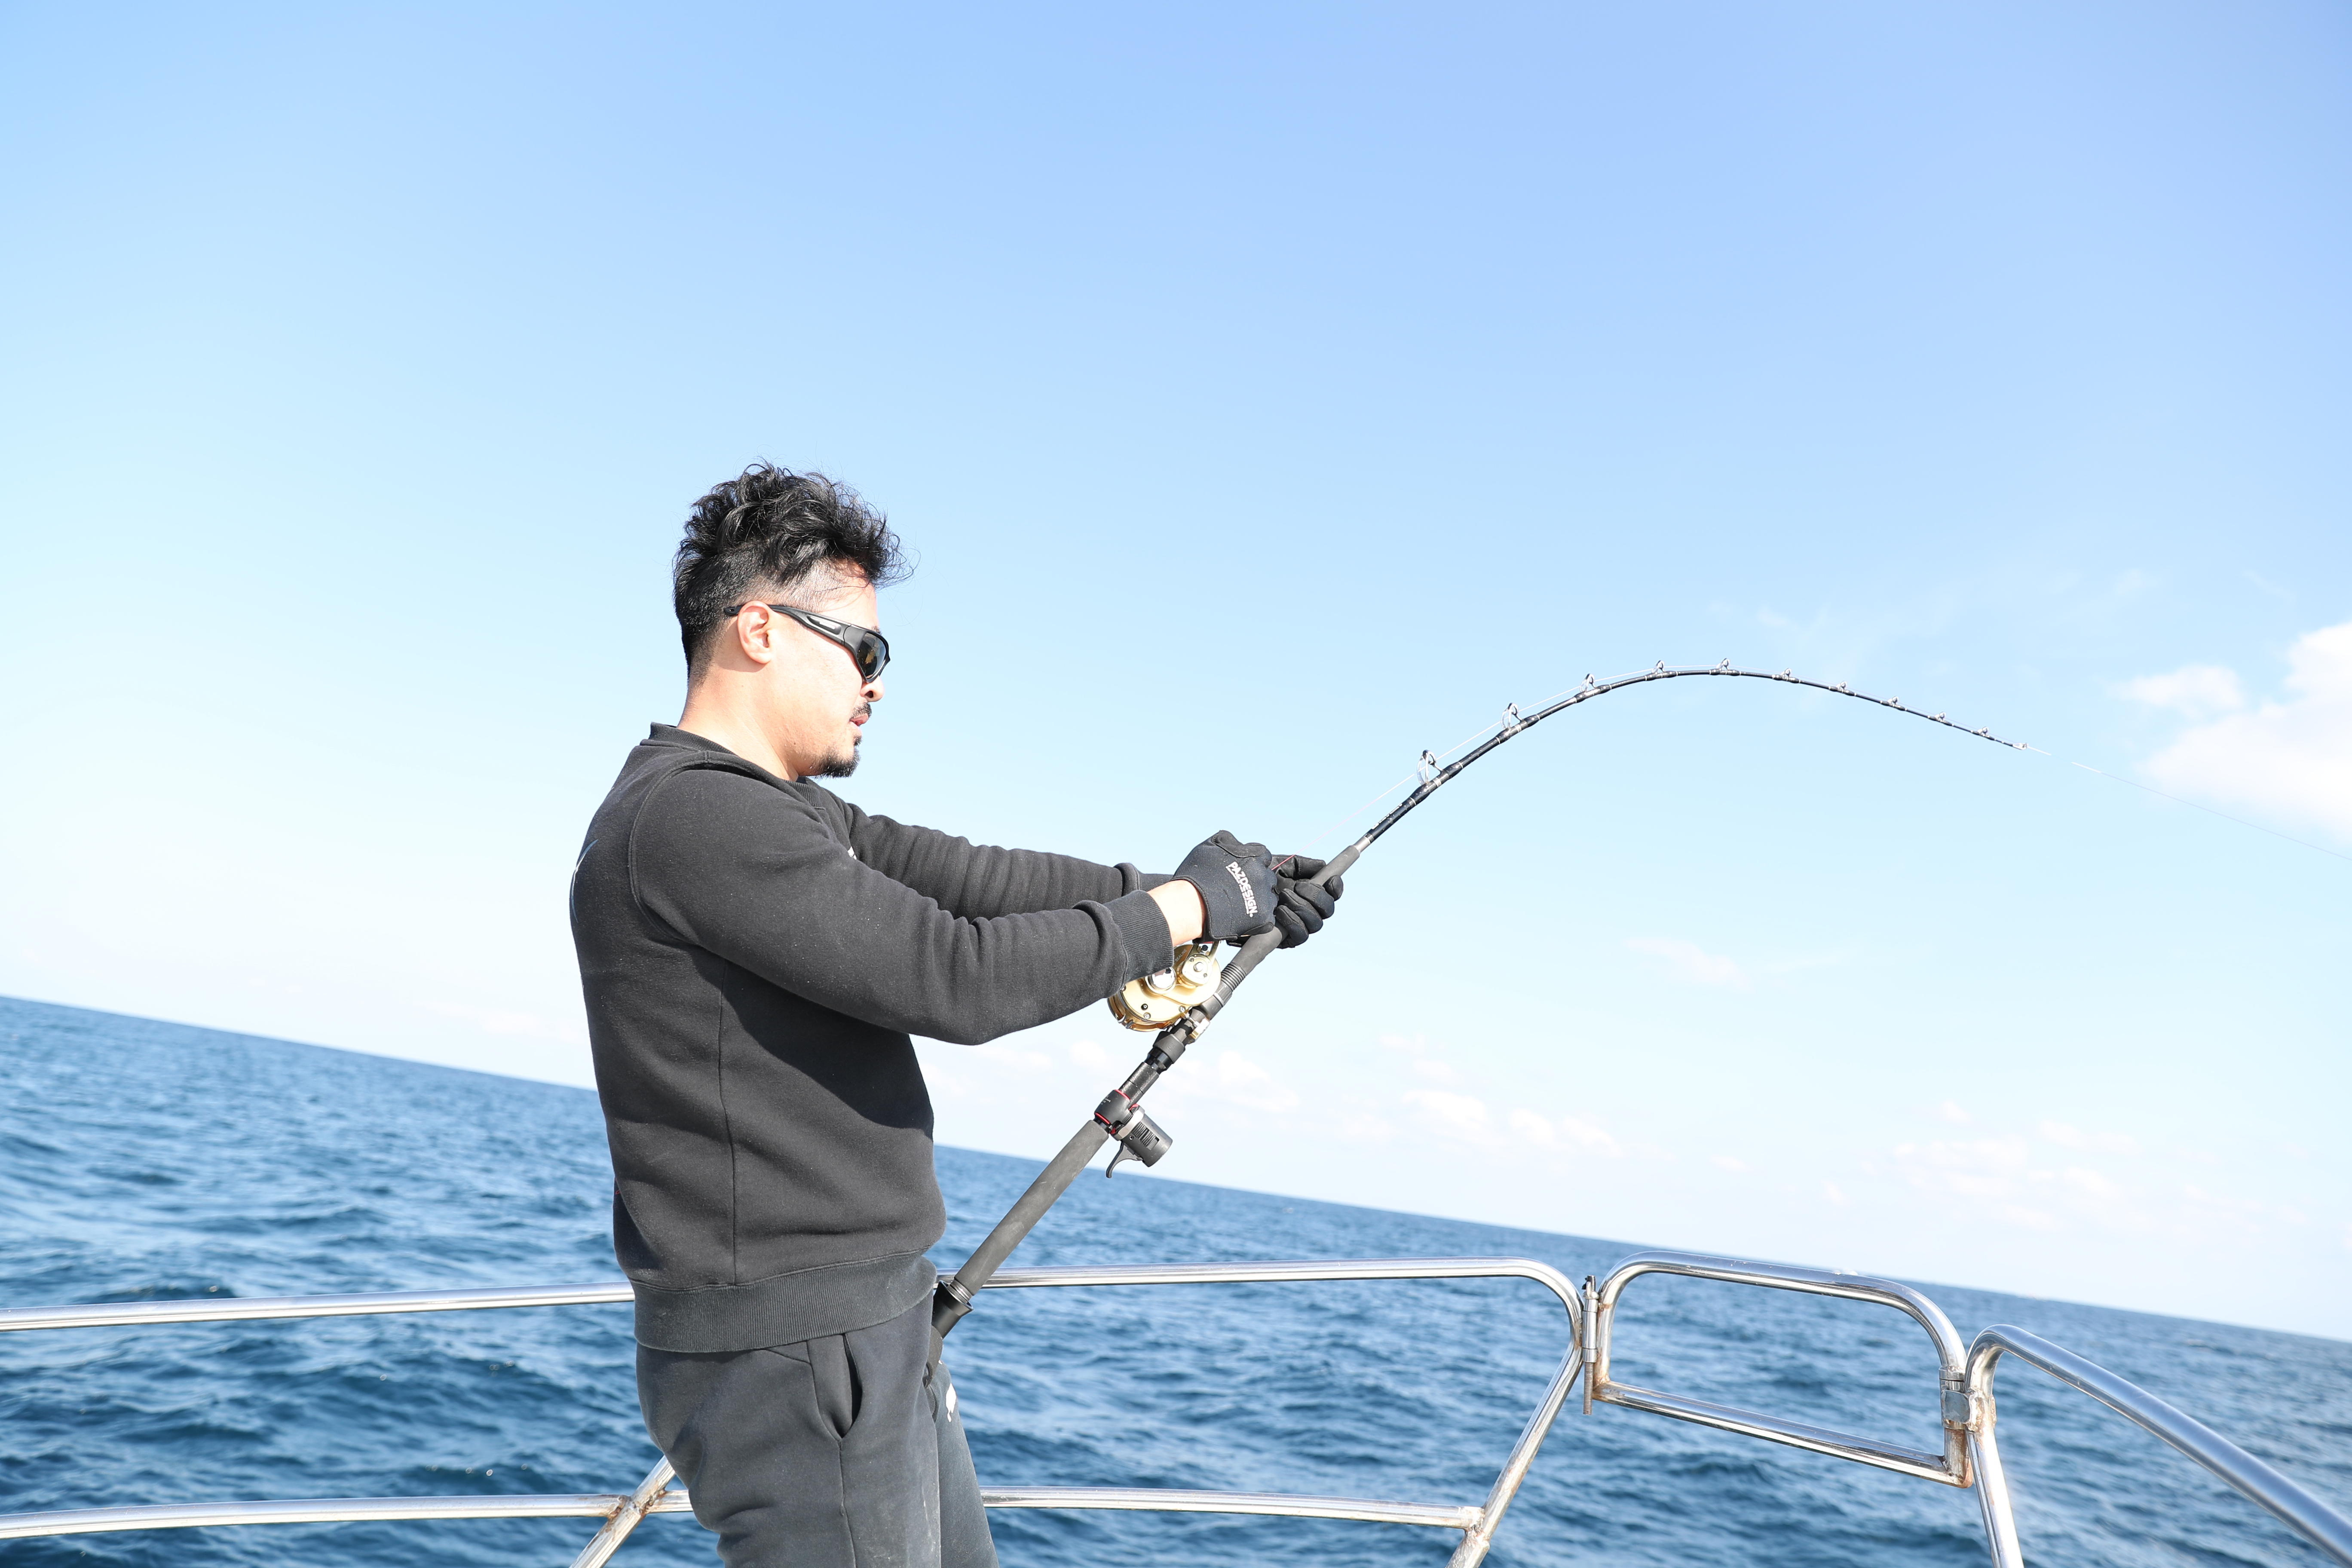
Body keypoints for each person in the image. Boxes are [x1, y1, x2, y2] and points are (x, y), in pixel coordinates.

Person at [569, 463, 1341, 1568]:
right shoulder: (689, 819)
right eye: (864, 651)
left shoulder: (781, 813)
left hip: (872, 1326)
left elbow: (970, 882)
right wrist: (1192, 906)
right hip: (796, 1353)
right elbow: (954, 976)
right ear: (758, 631)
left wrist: (1188, 896)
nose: (876, 682)